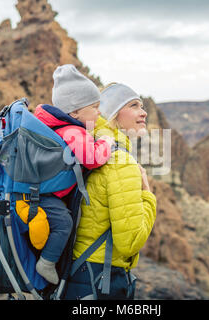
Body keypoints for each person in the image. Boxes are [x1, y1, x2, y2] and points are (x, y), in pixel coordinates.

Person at [64, 83, 157, 300]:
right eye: (134, 105)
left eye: (142, 105)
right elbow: (130, 242)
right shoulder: (120, 161)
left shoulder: (94, 148)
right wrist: (148, 196)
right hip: (101, 279)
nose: (143, 112)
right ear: (114, 114)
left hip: (79, 273)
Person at [30, 64, 115, 285]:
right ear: (75, 112)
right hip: (44, 197)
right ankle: (47, 263)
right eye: (94, 107)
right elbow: (92, 159)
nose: (99, 112)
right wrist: (106, 142)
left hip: (41, 193)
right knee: (64, 224)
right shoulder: (74, 131)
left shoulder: (61, 128)